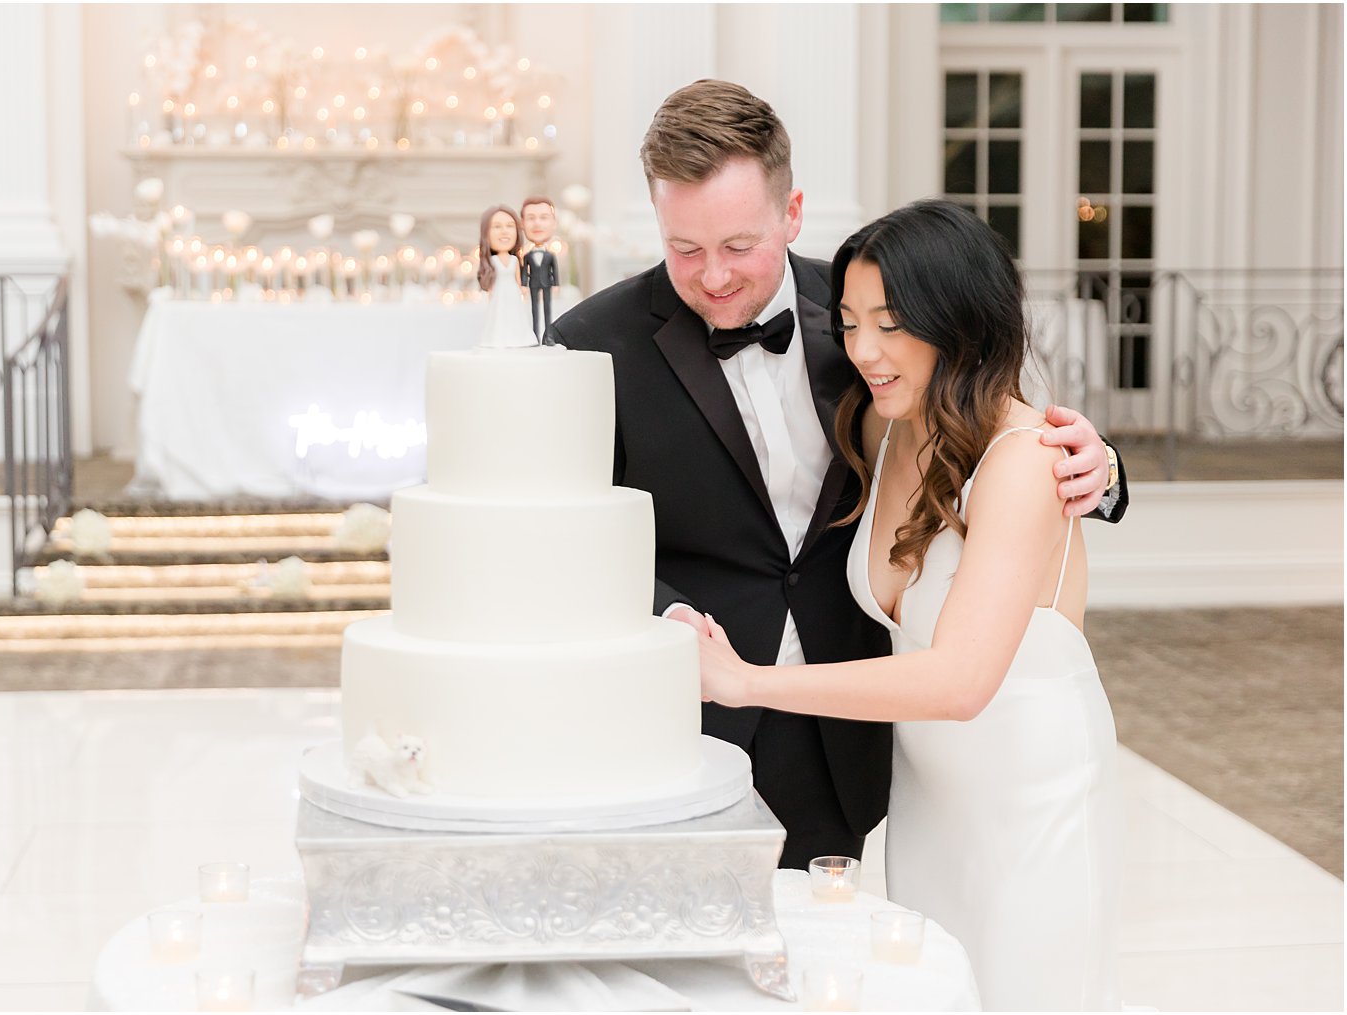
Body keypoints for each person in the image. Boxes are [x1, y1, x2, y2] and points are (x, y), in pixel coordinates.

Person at [546, 79, 1128, 870]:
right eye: (685, 249)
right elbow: (574, 534)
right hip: (682, 717)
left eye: (738, 246)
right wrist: (672, 618)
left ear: (791, 214)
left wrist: (1104, 467)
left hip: (841, 734)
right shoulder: (589, 344)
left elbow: (987, 424)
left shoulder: (872, 316)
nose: (713, 276)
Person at [697, 199, 1120, 1010]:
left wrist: (747, 680)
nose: (862, 350)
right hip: (930, 794)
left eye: (890, 325)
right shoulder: (887, 424)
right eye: (850, 323)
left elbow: (959, 681)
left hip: (1033, 795)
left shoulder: (1029, 459)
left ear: (958, 320)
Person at [476, 205, 535, 348]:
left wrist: (522, 288)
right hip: (499, 292)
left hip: (513, 292)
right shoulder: (493, 261)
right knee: (500, 314)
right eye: (496, 226)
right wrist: (489, 293)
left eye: (510, 226)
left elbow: (518, 278)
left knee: (515, 314)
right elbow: (490, 282)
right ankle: (499, 338)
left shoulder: (514, 260)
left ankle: (519, 337)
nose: (504, 231)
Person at [519, 195, 561, 340]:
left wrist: (556, 284)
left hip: (547, 284)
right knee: (534, 310)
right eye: (531, 218)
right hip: (533, 285)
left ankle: (548, 336)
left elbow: (554, 270)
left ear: (554, 223)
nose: (537, 223)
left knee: (547, 310)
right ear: (522, 223)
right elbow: (525, 271)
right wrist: (523, 285)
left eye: (543, 217)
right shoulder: (527, 256)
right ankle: (535, 335)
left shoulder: (550, 255)